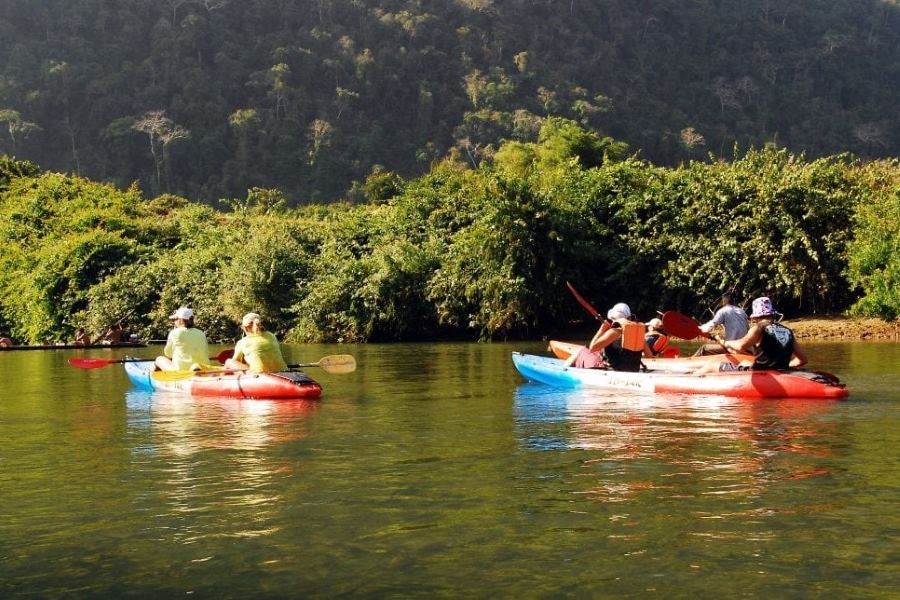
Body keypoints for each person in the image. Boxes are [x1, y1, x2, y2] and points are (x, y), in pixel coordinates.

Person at [701, 297, 807, 372]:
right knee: (745, 361)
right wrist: (785, 366)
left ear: (756, 317)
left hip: (760, 372)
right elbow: (802, 360)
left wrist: (725, 342)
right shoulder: (788, 331)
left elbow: (740, 347)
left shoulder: (758, 328)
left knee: (712, 365)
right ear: (772, 314)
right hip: (780, 369)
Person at [564, 303, 646, 372]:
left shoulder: (615, 331)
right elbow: (649, 354)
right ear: (629, 318)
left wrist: (602, 329)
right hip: (633, 370)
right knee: (599, 353)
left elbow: (592, 348)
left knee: (582, 350)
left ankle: (564, 370)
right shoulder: (637, 332)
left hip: (614, 371)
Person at [224, 312, 288, 373]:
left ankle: (220, 379)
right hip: (283, 371)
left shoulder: (242, 342)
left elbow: (236, 363)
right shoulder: (271, 336)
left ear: (245, 328)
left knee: (229, 362)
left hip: (259, 375)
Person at [155, 307, 209, 371]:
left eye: (175, 319)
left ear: (180, 320)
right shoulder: (201, 333)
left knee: (159, 359)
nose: (174, 322)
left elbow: (168, 353)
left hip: (181, 371)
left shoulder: (174, 332)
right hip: (203, 368)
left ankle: (152, 376)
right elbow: (206, 352)